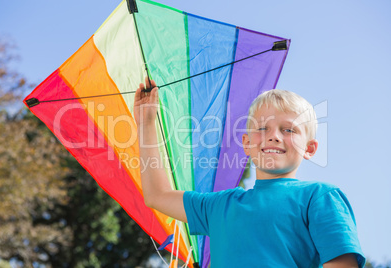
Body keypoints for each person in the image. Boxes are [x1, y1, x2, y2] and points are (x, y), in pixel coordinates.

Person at [134, 78, 365, 267]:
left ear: (310, 148)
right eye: (262, 128)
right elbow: (157, 194)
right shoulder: (219, 206)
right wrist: (145, 125)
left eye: (288, 129)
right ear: (246, 143)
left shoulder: (319, 196)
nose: (273, 135)